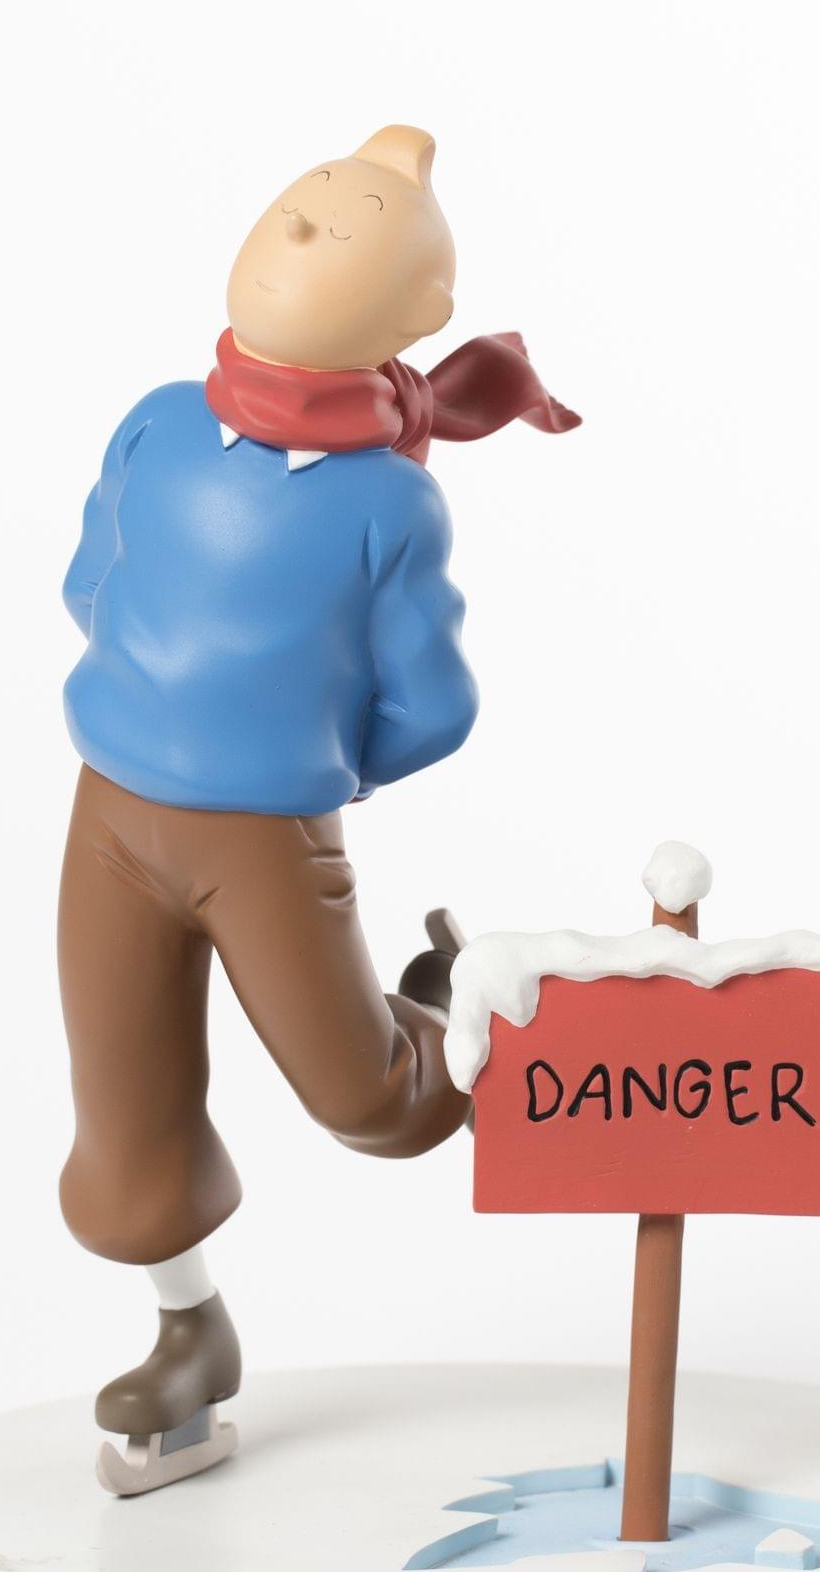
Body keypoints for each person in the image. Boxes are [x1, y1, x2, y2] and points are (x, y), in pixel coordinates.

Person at [56, 125, 579, 1492]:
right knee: (124, 1116)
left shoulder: (387, 504)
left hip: (264, 837)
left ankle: (464, 1009)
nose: (299, 231)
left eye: (337, 226)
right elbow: (89, 577)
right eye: (298, 208)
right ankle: (187, 1331)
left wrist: (305, 763)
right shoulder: (161, 420)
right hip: (111, 814)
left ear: (421, 313)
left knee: (372, 1101)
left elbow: (433, 704)